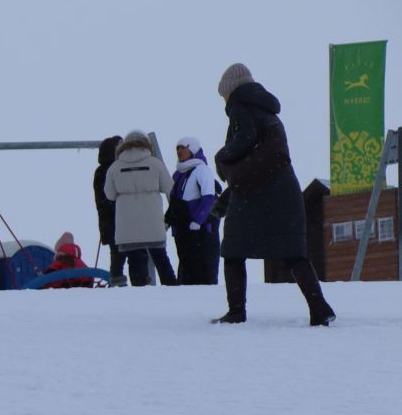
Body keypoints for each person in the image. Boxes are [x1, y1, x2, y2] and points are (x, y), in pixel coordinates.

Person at [210, 63, 334, 326]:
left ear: (231, 90)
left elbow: (243, 141)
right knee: (293, 252)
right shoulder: (269, 111)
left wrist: (222, 157)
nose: (224, 100)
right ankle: (319, 307)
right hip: (283, 187)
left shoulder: (240, 107)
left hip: (255, 192)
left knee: (233, 250)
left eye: (223, 94)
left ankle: (236, 311)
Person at [100, 130, 177, 286]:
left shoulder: (115, 167)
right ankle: (171, 290)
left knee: (135, 261)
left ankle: (139, 293)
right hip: (152, 221)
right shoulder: (155, 163)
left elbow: (109, 194)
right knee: (161, 259)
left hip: (127, 222)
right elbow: (170, 188)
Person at [166, 137, 222, 286]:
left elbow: (208, 197)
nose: (179, 151)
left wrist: (198, 220)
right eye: (177, 148)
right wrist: (168, 220)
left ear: (193, 149)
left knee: (203, 267)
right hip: (183, 228)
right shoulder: (178, 174)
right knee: (186, 267)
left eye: (183, 148)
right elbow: (174, 201)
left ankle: (204, 297)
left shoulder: (202, 170)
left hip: (200, 230)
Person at [92, 136, 128, 285]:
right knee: (120, 253)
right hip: (113, 219)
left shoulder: (109, 169)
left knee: (121, 253)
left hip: (113, 219)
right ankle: (118, 280)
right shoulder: (106, 171)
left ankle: (118, 280)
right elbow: (104, 198)